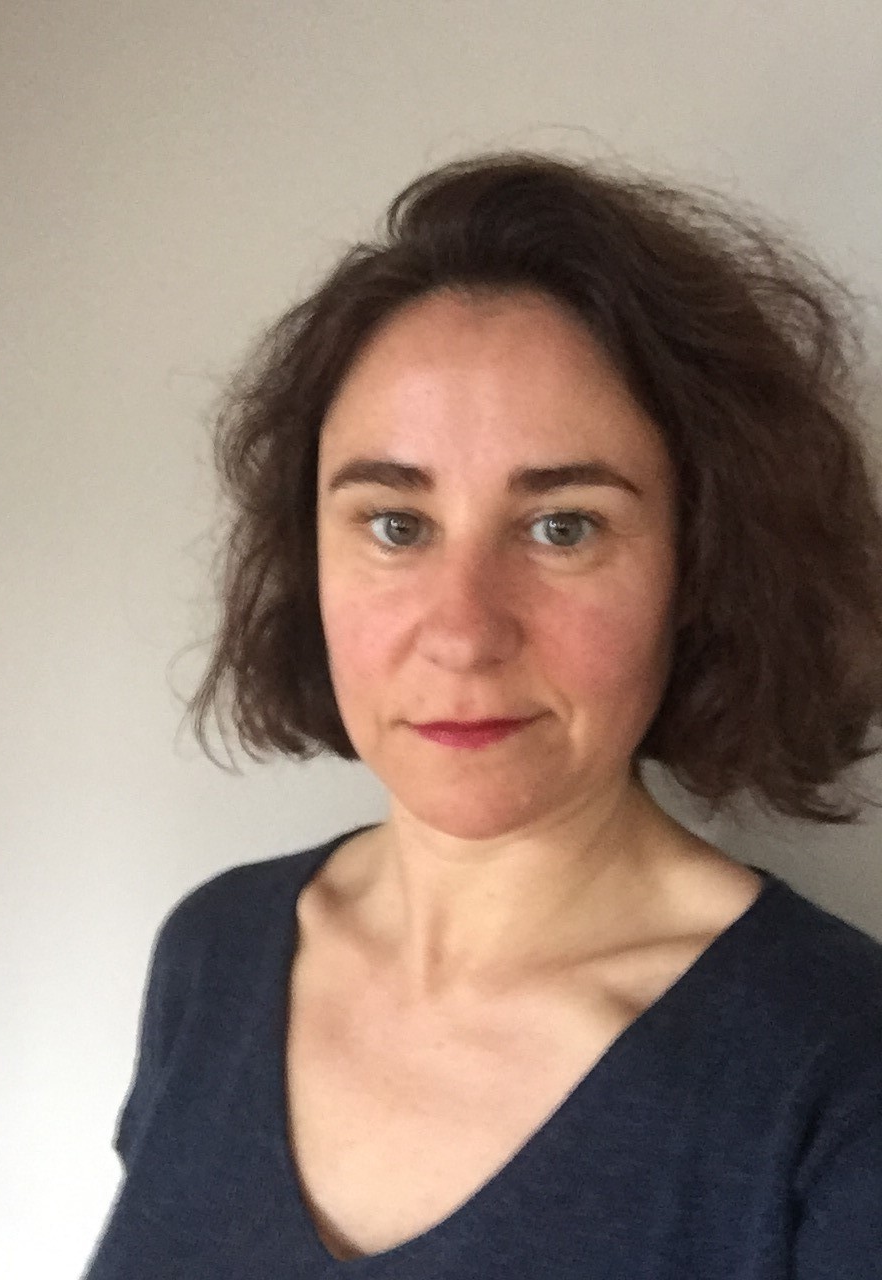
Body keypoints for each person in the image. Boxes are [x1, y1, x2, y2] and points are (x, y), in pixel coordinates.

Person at [83, 153, 882, 1278]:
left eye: (564, 526)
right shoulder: (215, 951)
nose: (463, 631)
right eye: (396, 525)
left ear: (700, 567)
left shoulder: (839, 1073)